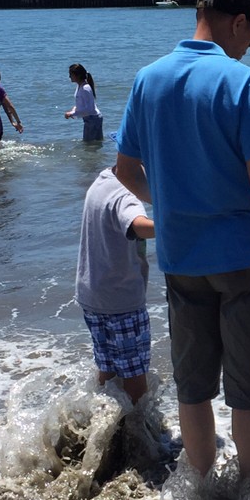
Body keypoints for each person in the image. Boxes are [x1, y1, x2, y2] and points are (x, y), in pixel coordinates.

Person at [114, 0, 250, 500]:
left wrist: (172, 201)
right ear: (240, 23)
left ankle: (202, 496)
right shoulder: (244, 82)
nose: (248, 48)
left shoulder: (148, 79)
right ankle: (249, 498)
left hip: (181, 257)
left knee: (195, 384)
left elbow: (124, 170)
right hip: (245, 255)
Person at [75, 163, 155, 403]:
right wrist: (178, 223)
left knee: (107, 370)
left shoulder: (102, 181)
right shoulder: (126, 194)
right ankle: (137, 433)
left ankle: (104, 425)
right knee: (135, 377)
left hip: (92, 295)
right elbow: (137, 225)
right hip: (122, 301)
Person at [65, 63, 103, 141]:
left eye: (71, 74)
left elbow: (89, 109)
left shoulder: (85, 88)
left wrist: (72, 113)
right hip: (91, 118)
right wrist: (74, 109)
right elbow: (84, 104)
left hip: (93, 119)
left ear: (78, 75)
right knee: (92, 144)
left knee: (90, 145)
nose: (69, 77)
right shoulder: (80, 86)